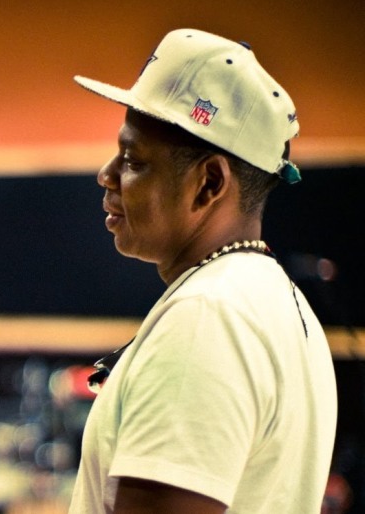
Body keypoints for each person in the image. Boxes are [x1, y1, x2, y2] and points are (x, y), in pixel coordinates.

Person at [69, 28, 338, 513]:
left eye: (132, 160)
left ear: (209, 183)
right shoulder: (275, 303)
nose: (106, 175)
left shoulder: (208, 317)